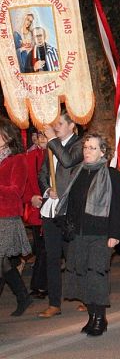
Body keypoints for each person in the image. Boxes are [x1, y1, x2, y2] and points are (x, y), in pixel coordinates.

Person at [54, 133, 120, 336]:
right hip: (79, 234)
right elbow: (73, 203)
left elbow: (117, 207)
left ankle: (100, 319)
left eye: (93, 148)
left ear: (103, 151)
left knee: (96, 276)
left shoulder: (111, 174)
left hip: (101, 234)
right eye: (86, 147)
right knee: (82, 276)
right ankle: (91, 316)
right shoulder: (78, 172)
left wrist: (114, 234)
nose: (87, 151)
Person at [38, 110, 83, 318]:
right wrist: (47, 190)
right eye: (55, 124)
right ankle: (54, 302)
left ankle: (83, 296)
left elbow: (67, 161)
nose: (56, 127)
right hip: (50, 208)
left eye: (60, 124)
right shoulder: (52, 144)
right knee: (52, 257)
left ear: (72, 126)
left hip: (69, 210)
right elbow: (43, 173)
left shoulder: (79, 145)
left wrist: (53, 140)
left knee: (73, 256)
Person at [0, 117, 33, 316]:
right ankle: (23, 296)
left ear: (8, 137)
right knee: (3, 263)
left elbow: (16, 191)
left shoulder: (17, 159)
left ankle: (23, 297)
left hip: (7, 218)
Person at [23, 131, 48, 299]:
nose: (43, 140)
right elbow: (25, 181)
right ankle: (39, 285)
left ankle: (41, 285)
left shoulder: (57, 154)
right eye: (41, 137)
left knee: (46, 249)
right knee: (42, 248)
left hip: (51, 205)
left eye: (46, 136)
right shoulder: (30, 156)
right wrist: (32, 198)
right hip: (36, 206)